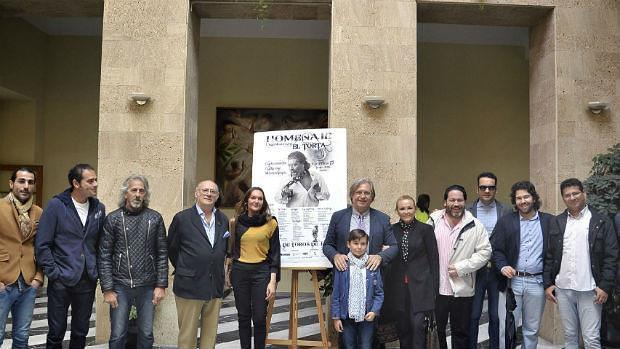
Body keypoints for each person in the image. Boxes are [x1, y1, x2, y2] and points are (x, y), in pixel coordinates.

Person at [36, 164, 105, 349]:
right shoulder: (56, 205)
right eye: (90, 181)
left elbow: (99, 244)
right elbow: (43, 244)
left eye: (96, 179)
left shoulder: (99, 208)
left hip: (87, 279)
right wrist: (53, 272)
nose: (96, 184)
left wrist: (96, 270)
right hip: (61, 279)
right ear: (76, 183)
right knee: (56, 332)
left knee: (81, 331)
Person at [543, 178, 618, 349]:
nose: (572, 197)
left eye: (575, 193)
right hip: (563, 289)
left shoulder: (601, 221)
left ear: (584, 193)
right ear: (563, 198)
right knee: (570, 336)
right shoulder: (557, 221)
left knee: (591, 339)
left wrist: (605, 286)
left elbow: (611, 257)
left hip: (590, 291)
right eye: (567, 195)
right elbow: (550, 255)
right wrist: (548, 284)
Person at [98, 175, 168, 349]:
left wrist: (161, 285)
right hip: (120, 286)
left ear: (145, 195)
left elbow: (162, 253)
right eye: (133, 190)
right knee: (117, 334)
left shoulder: (155, 218)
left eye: (141, 191)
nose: (138, 194)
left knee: (146, 334)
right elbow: (104, 255)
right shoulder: (113, 219)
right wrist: (107, 289)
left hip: (147, 286)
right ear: (125, 194)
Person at [167, 180, 230, 349]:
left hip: (214, 285)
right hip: (189, 285)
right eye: (205, 190)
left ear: (217, 196)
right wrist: (185, 267)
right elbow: (171, 248)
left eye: (213, 191)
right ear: (196, 193)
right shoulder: (182, 218)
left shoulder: (223, 219)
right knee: (187, 337)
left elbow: (223, 250)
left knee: (210, 338)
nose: (208, 194)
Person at [428, 185, 491, 349]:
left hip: (462, 289)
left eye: (460, 200)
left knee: (461, 332)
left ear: (465, 202)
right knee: (436, 331)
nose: (456, 203)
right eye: (452, 200)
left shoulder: (475, 225)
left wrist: (463, 267)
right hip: (437, 290)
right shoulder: (433, 222)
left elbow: (485, 252)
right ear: (445, 202)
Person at [491, 181, 553, 349]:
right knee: (507, 327)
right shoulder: (505, 222)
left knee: (531, 330)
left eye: (526, 196)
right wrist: (503, 266)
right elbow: (496, 249)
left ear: (533, 198)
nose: (523, 201)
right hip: (512, 283)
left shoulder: (548, 221)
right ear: (515, 201)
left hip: (537, 283)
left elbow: (555, 253)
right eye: (519, 198)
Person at [383, 195, 438, 349]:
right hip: (398, 287)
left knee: (418, 325)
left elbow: (434, 259)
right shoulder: (391, 230)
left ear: (415, 209)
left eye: (409, 208)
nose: (406, 211)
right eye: (402, 208)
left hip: (421, 286)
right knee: (403, 327)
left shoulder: (426, 230)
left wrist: (435, 288)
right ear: (397, 211)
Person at [230, 187, 280, 349]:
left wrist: (272, 281)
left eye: (260, 198)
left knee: (259, 317)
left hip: (262, 273)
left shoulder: (271, 222)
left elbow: (275, 254)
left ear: (263, 202)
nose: (256, 201)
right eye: (253, 198)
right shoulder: (236, 222)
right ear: (247, 200)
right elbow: (231, 250)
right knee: (243, 316)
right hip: (240, 272)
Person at [0, 167, 43, 348]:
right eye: (21, 181)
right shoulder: (1, 208)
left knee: (22, 337)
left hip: (27, 283)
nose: (26, 186)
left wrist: (38, 278)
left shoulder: (39, 212)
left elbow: (43, 247)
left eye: (30, 182)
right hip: (3, 281)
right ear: (11, 184)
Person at [466, 172, 510, 349]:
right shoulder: (467, 210)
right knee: (474, 315)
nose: (487, 190)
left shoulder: (506, 210)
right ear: (477, 189)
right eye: (483, 187)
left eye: (491, 187)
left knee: (495, 316)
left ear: (495, 189)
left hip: (497, 271)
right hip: (474, 270)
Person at [323, 178, 398, 272]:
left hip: (372, 275)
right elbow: (327, 245)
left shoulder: (382, 219)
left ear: (372, 198)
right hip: (345, 273)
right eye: (358, 192)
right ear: (352, 195)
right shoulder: (338, 217)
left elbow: (394, 246)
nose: (362, 196)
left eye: (367, 193)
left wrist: (380, 257)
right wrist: (335, 256)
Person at [331, 229, 384, 349]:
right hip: (347, 316)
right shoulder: (343, 265)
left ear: (367, 245)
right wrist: (336, 317)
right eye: (355, 243)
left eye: (363, 244)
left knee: (366, 345)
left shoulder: (372, 265)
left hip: (367, 316)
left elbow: (379, 293)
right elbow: (336, 294)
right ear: (348, 244)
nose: (359, 247)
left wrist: (374, 311)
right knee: (349, 346)